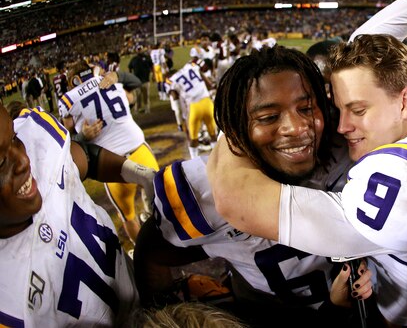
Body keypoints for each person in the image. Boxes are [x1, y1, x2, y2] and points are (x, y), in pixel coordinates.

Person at [208, 35, 407, 326]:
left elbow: (236, 201)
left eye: (357, 110)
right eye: (339, 107)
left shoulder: (403, 184)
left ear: (406, 101)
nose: (342, 125)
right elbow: (383, 87)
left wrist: (234, 122)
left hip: (402, 318)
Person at [134, 47, 374, 327]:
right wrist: (163, 313)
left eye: (306, 108)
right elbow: (151, 251)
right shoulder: (205, 191)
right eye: (269, 117)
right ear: (237, 129)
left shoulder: (350, 140)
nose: (296, 128)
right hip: (268, 313)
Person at [0, 102, 156, 326]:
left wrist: (140, 174)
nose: (24, 161)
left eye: (15, 138)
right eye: (1, 162)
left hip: (140, 292)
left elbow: (85, 158)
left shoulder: (37, 138)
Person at [57, 62, 159, 245]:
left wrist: (82, 135)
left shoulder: (68, 99)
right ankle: (167, 237)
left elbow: (67, 135)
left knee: (128, 216)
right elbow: (132, 96)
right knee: (158, 199)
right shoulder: (110, 81)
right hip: (140, 149)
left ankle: (146, 253)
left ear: (74, 80)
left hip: (114, 165)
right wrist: (116, 77)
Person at [164, 58, 217, 158]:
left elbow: (177, 106)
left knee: (193, 138)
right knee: (213, 134)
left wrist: (180, 123)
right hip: (207, 103)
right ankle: (218, 158)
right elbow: (209, 85)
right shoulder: (190, 66)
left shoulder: (171, 81)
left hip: (194, 107)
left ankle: (194, 162)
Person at [128, 45, 154, 114]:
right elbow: (130, 67)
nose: (140, 50)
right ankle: (136, 109)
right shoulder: (134, 59)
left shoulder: (147, 57)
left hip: (146, 80)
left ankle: (147, 109)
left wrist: (153, 75)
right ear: (137, 50)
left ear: (142, 49)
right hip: (136, 81)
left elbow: (152, 66)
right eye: (138, 49)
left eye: (140, 49)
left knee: (146, 96)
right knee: (137, 96)